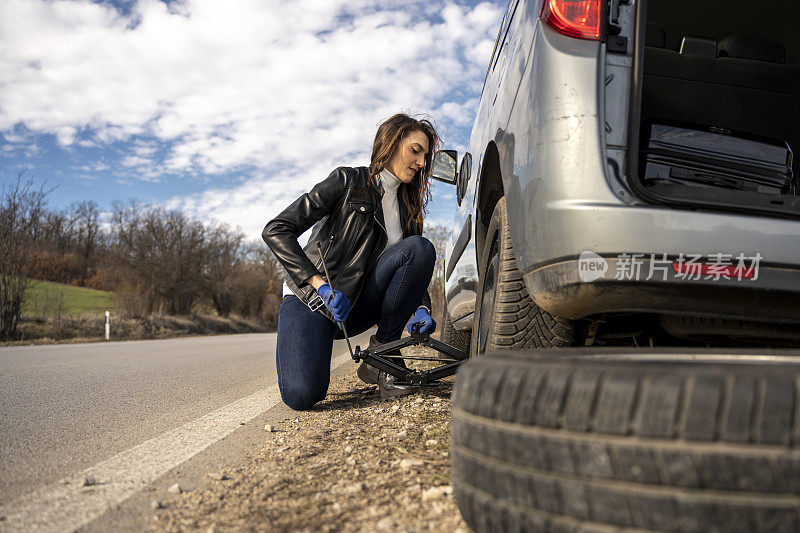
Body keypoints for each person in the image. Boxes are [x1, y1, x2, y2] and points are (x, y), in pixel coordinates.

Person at [262, 113, 440, 410]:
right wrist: (319, 286)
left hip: (359, 306)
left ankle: (382, 356)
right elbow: (277, 230)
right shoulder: (348, 182)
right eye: (415, 150)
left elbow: (410, 265)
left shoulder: (409, 208)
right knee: (303, 395)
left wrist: (421, 308)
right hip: (313, 301)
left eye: (426, 156)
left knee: (419, 247)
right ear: (392, 143)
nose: (422, 163)